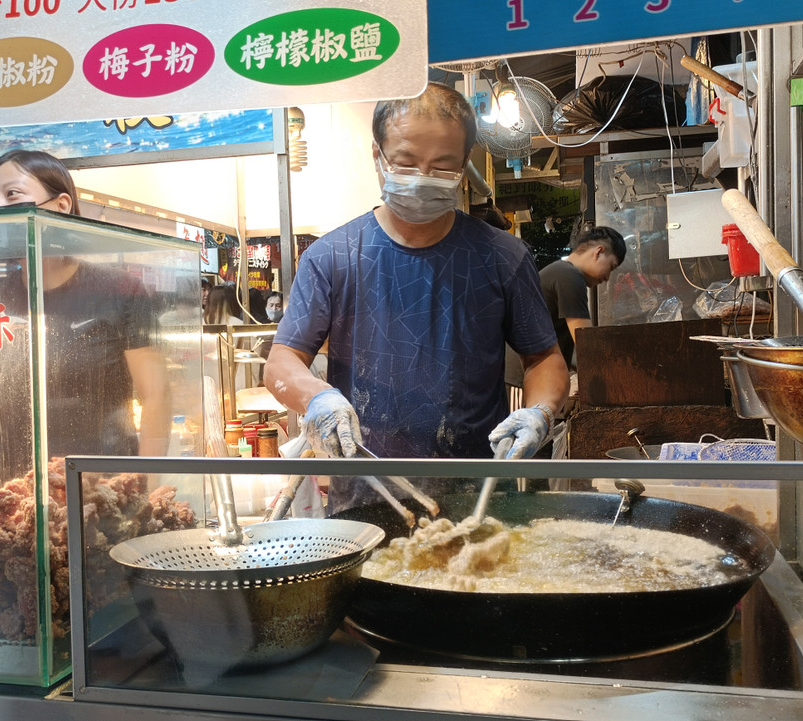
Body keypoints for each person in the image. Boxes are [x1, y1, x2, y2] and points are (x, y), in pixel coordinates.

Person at [264, 82, 569, 514]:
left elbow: (544, 358)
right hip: (365, 498)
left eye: (442, 166)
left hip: (479, 500)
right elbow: (281, 362)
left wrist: (541, 410)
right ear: (378, 156)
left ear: (463, 166)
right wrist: (316, 397)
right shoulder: (330, 257)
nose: (423, 177)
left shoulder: (503, 256)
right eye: (406, 162)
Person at [0, 150, 170, 484]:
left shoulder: (119, 290)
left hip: (102, 480)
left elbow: (156, 394)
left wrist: (144, 483)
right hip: (13, 484)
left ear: (61, 206)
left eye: (13, 194)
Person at [538, 224, 626, 392]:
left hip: (538, 375)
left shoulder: (562, 271)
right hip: (525, 377)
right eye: (611, 267)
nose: (607, 277)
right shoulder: (568, 276)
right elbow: (586, 343)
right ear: (598, 252)